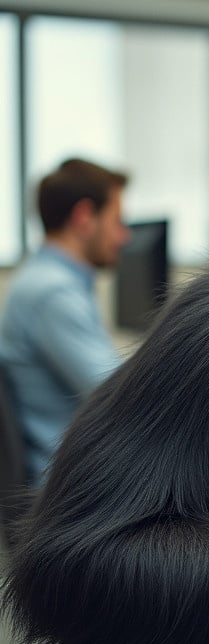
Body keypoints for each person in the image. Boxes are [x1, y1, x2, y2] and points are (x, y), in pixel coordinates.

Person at [0, 158, 129, 484]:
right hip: (68, 495)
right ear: (84, 217)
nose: (123, 236)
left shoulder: (44, 280)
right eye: (116, 220)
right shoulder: (53, 293)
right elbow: (122, 400)